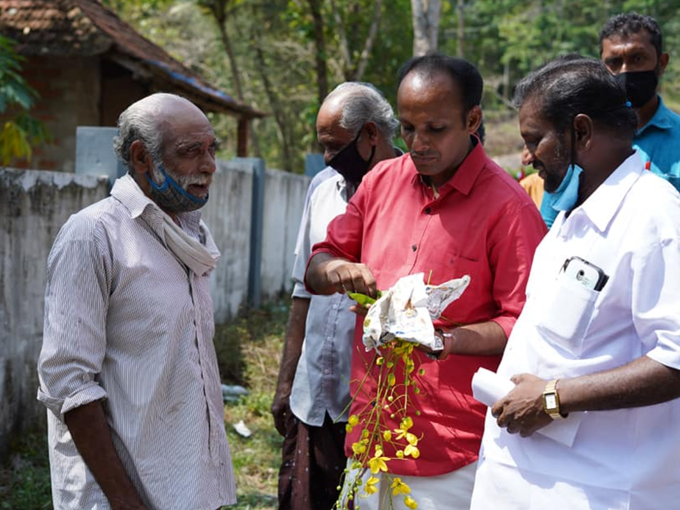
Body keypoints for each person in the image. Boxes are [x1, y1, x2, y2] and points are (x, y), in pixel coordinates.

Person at [305, 54, 546, 510]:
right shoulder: (380, 182)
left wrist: (445, 340)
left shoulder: (509, 208)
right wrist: (334, 271)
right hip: (368, 432)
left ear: (472, 119)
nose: (417, 143)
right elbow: (321, 261)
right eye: (409, 128)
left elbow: (522, 324)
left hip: (452, 449)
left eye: (434, 129)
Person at [470, 56, 680, 510]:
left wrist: (553, 397)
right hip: (520, 481)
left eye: (535, 140)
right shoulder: (569, 219)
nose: (527, 158)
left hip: (595, 490)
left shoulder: (654, 216)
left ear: (580, 132)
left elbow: (676, 358)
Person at [37, 93, 236, 510]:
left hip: (192, 486)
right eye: (190, 152)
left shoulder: (187, 235)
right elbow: (68, 383)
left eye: (211, 149)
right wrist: (126, 501)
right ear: (142, 157)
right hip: (120, 495)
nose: (209, 166)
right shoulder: (93, 235)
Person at [271, 82, 401, 510]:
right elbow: (301, 293)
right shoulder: (323, 189)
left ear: (371, 135)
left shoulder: (414, 193)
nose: (328, 158)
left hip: (377, 405)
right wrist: (285, 384)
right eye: (323, 146)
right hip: (314, 396)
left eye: (335, 146)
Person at [541, 12, 680, 227]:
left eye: (637, 58)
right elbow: (550, 223)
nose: (625, 71)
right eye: (614, 62)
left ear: (661, 63)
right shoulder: (579, 138)